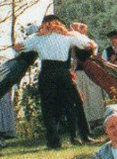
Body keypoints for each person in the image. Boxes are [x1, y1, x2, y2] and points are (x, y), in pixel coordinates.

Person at [29, 15, 96, 149]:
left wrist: (74, 33)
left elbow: (90, 45)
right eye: (48, 24)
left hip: (64, 72)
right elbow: (19, 48)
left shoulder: (67, 36)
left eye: (54, 23)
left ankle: (82, 135)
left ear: (59, 24)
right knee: (49, 107)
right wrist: (37, 34)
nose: (51, 26)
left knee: (76, 103)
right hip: (47, 72)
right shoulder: (37, 38)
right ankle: (53, 141)